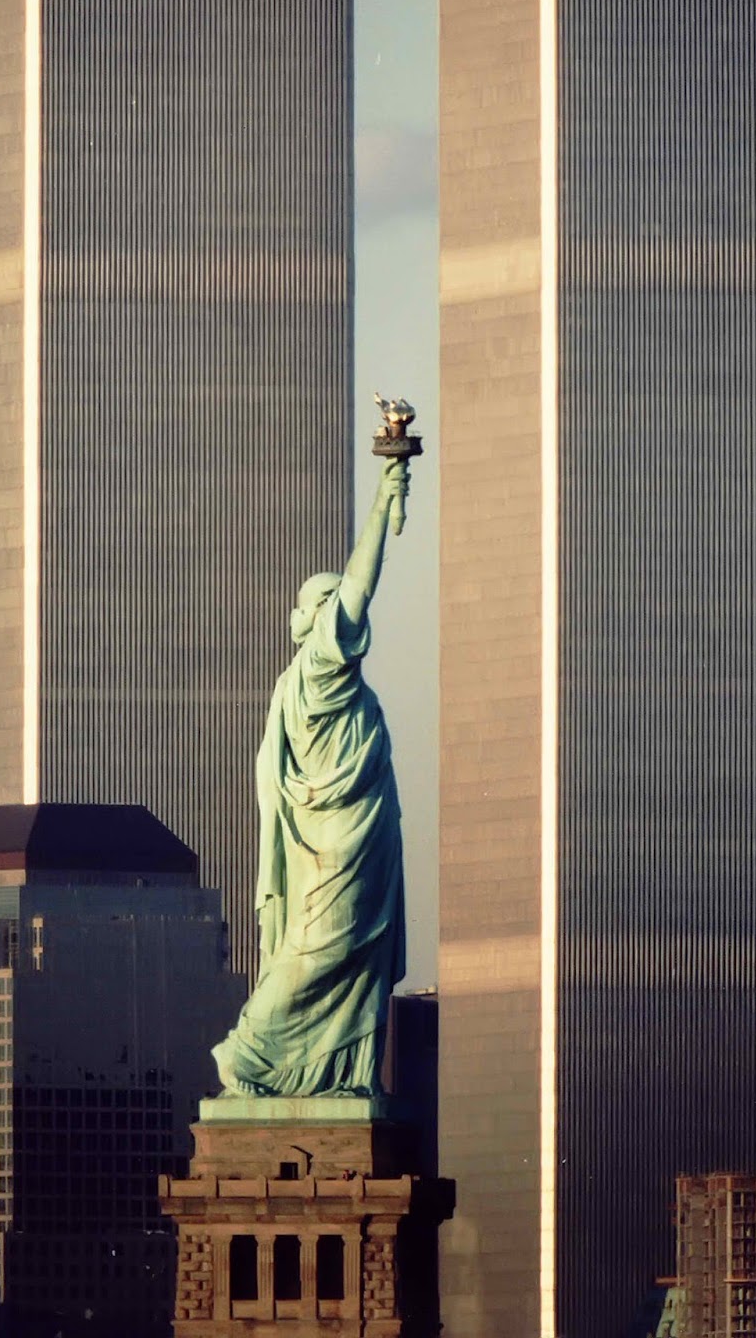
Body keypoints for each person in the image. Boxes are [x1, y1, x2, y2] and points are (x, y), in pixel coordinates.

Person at [212, 458, 410, 1097]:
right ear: (314, 622)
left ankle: (338, 1077)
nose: (342, 612)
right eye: (328, 604)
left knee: (356, 964)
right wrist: (384, 499)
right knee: (317, 954)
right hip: (330, 851)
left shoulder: (349, 689)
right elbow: (361, 582)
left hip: (363, 846)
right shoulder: (319, 669)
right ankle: (247, 1053)